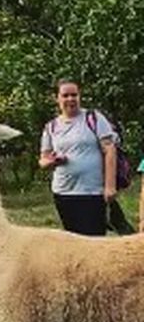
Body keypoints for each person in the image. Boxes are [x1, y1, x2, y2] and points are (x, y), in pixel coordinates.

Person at [39, 80, 118, 236]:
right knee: (73, 240)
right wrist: (51, 162)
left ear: (79, 96)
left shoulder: (93, 118)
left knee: (94, 240)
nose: (70, 99)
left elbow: (109, 150)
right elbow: (43, 159)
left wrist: (110, 186)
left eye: (74, 95)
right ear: (57, 98)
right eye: (65, 95)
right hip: (64, 192)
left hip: (92, 192)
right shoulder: (51, 127)